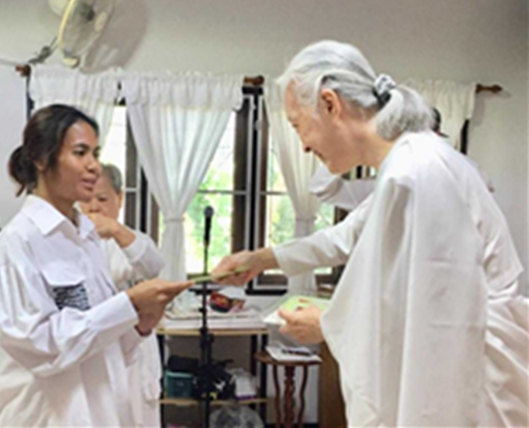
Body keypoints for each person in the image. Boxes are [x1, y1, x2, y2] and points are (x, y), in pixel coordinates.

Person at [212, 41, 528, 427]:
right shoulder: (405, 164)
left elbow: (440, 312)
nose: (304, 145)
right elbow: (346, 236)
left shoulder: (417, 171)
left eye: (297, 125)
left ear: (330, 104)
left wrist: (327, 325)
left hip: (466, 380)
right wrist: (260, 259)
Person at [0, 104, 192, 427]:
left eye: (96, 153)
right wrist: (127, 304)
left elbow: (98, 341)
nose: (94, 166)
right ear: (41, 159)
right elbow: (43, 348)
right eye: (80, 153)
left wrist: (138, 325)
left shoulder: (85, 238)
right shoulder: (16, 246)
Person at [80, 163, 165, 427]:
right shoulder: (70, 243)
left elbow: (153, 266)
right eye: (86, 200)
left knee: (136, 416)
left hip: (134, 348)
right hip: (92, 349)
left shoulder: (132, 240)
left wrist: (116, 230)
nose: (94, 207)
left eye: (102, 199)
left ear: (119, 198)